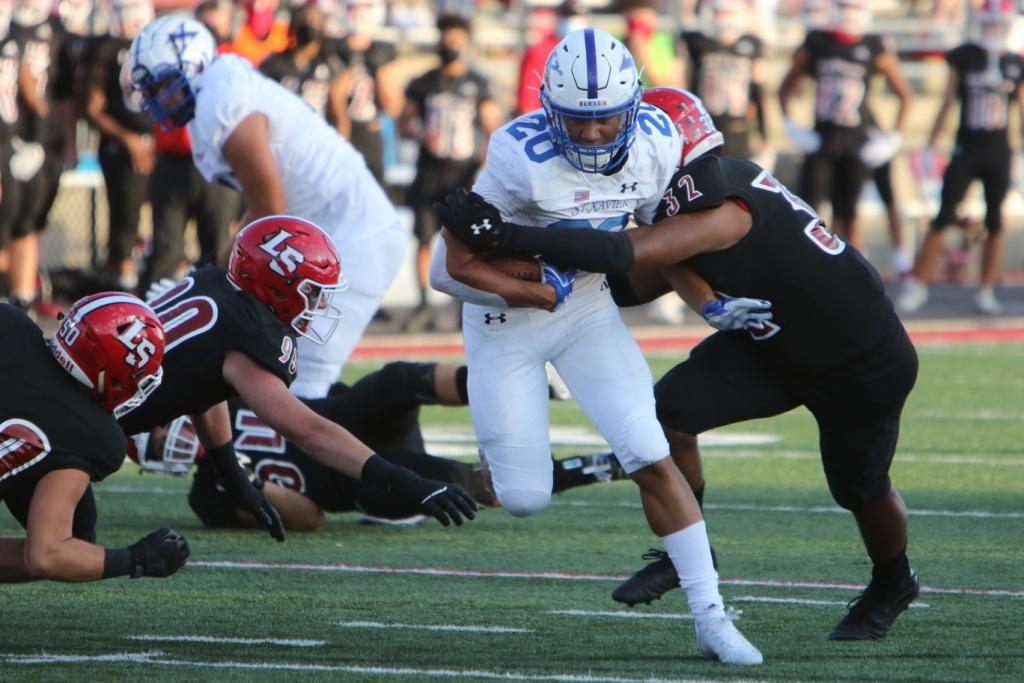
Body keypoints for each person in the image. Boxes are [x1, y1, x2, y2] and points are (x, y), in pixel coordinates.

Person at [439, 87, 921, 642]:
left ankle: (894, 581)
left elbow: (629, 254)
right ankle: (689, 549)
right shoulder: (689, 198)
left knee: (859, 489)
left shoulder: (727, 207)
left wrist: (505, 236)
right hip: (768, 345)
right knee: (668, 416)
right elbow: (636, 281)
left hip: (857, 359)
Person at [430, 29, 762, 666]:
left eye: (605, 118)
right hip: (504, 322)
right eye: (576, 120)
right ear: (549, 110)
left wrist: (708, 303)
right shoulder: (518, 153)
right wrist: (533, 289)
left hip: (585, 310)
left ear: (633, 106)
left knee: (650, 450)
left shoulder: (657, 142)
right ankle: (498, 453)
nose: (590, 133)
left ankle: (712, 617)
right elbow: (447, 271)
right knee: (523, 497)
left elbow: (661, 242)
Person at [116, 215, 477, 540]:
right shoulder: (243, 337)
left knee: (398, 381)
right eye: (312, 292)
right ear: (274, 288)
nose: (321, 304)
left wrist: (230, 470)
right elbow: (310, 434)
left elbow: (206, 393)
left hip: (107, 399)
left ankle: (487, 389)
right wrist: (404, 482)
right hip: (102, 422)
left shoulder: (213, 289)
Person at [124, 16, 407, 399]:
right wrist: (211, 270)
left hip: (355, 236)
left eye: (162, 85)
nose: (158, 98)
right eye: (151, 89)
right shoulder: (217, 91)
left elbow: (270, 212)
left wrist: (207, 272)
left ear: (193, 64)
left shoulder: (221, 99)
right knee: (274, 370)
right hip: (329, 235)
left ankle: (382, 424)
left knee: (303, 380)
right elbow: (266, 210)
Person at [128, 361, 627, 531]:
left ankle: (514, 384)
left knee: (396, 381)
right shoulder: (208, 497)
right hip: (358, 479)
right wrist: (244, 477)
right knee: (459, 484)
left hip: (347, 416)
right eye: (154, 444)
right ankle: (601, 467)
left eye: (157, 427)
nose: (167, 437)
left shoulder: (219, 393)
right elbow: (309, 519)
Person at [0, 291, 190, 583]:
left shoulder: (10, 323)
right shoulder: (89, 434)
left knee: (80, 527)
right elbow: (46, 555)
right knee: (75, 541)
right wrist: (136, 558)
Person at [898, 0, 1024, 315]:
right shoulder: (966, 56)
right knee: (943, 215)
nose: (995, 29)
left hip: (999, 150)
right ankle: (918, 284)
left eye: (1000, 23)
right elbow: (948, 100)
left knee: (995, 221)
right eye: (991, 23)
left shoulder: (1014, 62)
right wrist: (931, 144)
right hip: (966, 148)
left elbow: (1022, 109)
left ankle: (986, 289)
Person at [398, 13, 503, 332]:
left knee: (466, 241)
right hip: (430, 171)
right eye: (446, 39)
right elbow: (404, 124)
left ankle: (463, 304)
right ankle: (424, 305)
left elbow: (492, 127)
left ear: (466, 43)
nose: (450, 46)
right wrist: (421, 134)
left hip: (463, 173)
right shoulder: (423, 82)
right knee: (424, 237)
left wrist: (484, 167)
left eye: (456, 40)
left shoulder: (477, 84)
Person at [778, 0, 911, 248]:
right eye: (845, 7)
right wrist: (792, 128)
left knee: (848, 212)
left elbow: (904, 93)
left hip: (858, 140)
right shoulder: (818, 41)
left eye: (855, 8)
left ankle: (850, 261)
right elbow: (786, 87)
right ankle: (808, 262)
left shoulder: (873, 45)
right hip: (823, 138)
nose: (849, 15)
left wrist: (893, 138)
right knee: (807, 209)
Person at [83, 0, 155, 291]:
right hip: (121, 149)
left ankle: (151, 281)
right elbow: (92, 108)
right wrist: (128, 139)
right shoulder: (107, 49)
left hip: (158, 146)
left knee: (165, 218)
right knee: (126, 218)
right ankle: (122, 285)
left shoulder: (155, 45)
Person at [681, 0, 769, 162]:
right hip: (704, 131)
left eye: (727, 13)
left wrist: (765, 137)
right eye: (718, 13)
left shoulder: (751, 45)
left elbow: (759, 94)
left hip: (737, 131)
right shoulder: (697, 42)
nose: (723, 19)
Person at [332, 0, 403, 185]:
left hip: (369, 134)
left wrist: (380, 71)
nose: (359, 13)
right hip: (335, 133)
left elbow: (393, 107)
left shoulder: (383, 52)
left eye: (365, 7)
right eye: (354, 7)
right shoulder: (332, 48)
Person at [259, 4, 348, 137]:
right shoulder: (274, 64)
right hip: (281, 137)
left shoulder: (330, 67)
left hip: (316, 139)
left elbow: (338, 112)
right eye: (304, 20)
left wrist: (340, 144)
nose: (309, 24)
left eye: (314, 21)